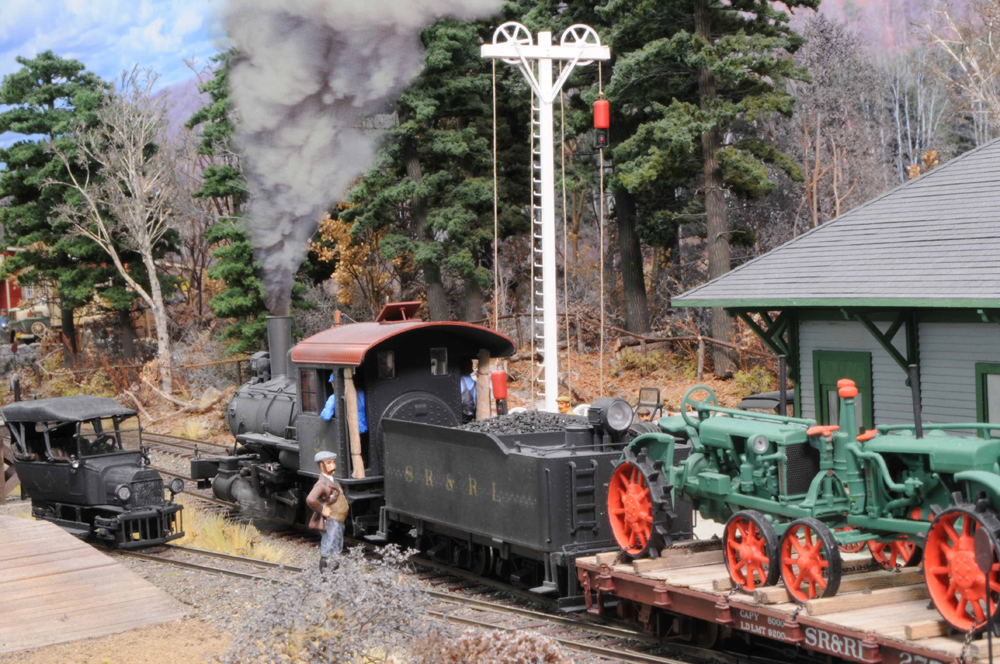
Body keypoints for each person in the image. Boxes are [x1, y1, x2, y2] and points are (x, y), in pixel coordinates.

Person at [306, 451, 349, 571]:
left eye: (333, 462)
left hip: (338, 519)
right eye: (329, 463)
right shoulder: (322, 484)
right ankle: (327, 575)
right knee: (330, 546)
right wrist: (323, 509)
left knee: (336, 545)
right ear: (321, 465)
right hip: (331, 519)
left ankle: (332, 574)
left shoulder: (332, 480)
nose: (333, 466)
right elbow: (310, 499)